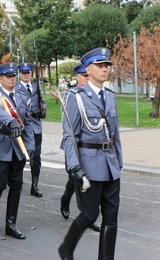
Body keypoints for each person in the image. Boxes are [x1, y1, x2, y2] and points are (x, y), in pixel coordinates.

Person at [58, 48, 123, 260]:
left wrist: (119, 162)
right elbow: (70, 135)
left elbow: (115, 133)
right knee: (89, 215)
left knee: (111, 218)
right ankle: (66, 248)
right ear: (88, 69)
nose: (105, 69)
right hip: (88, 165)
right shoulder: (76, 97)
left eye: (107, 66)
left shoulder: (110, 96)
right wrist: (74, 166)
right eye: (100, 66)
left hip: (110, 165)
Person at [0, 63, 34, 240]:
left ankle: (10, 224)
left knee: (16, 185)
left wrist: (31, 146)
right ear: (0, 78)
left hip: (17, 147)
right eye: (8, 76)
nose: (13, 78)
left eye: (14, 75)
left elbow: (27, 123)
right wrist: (11, 121)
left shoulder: (20, 95)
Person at [59, 63, 100, 232]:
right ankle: (65, 199)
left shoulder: (94, 95)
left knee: (91, 181)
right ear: (77, 77)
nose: (87, 78)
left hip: (92, 149)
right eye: (84, 76)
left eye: (88, 75)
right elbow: (67, 126)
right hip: (75, 146)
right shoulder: (72, 95)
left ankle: (88, 216)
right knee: (75, 179)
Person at [16, 62, 46, 198]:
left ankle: (35, 185)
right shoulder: (16, 88)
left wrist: (43, 109)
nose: (26, 75)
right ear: (20, 74)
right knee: (21, 156)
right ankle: (18, 182)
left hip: (36, 125)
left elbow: (42, 101)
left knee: (36, 157)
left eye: (28, 73)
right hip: (22, 125)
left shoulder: (35, 87)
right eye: (23, 73)